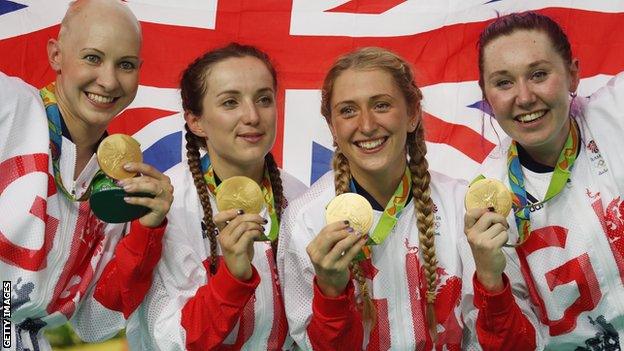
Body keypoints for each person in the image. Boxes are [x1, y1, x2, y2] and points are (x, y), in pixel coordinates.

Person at [0, 0, 172, 349]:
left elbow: (94, 324)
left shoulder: (120, 185)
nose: (108, 81)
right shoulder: (9, 105)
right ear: (56, 55)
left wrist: (146, 231)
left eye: (125, 65)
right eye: (92, 58)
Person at [278, 47, 466, 350]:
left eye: (381, 105)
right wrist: (330, 292)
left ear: (413, 113)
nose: (366, 125)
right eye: (348, 110)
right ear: (332, 127)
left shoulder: (459, 203)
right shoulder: (305, 219)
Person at [125, 43, 307, 350]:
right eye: (230, 102)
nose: (252, 116)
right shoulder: (169, 205)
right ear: (196, 121)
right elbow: (169, 341)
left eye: (264, 99)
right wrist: (232, 277)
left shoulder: (299, 198)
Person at [462, 11, 624, 350]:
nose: (523, 97)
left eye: (538, 74)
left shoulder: (617, 116)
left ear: (573, 75)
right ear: (487, 95)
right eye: (504, 82)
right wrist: (492, 283)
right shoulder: (485, 206)